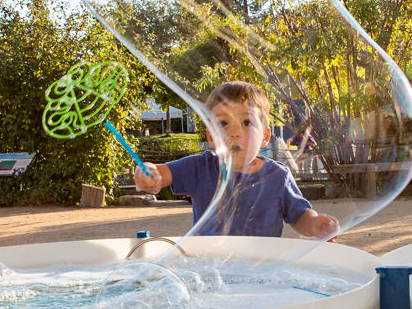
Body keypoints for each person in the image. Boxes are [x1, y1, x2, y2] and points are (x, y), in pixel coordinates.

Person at [134, 81, 339, 240]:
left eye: (246, 122)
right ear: (211, 136)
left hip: (262, 271)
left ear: (266, 136)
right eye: (223, 123)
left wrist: (314, 224)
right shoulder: (199, 168)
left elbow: (299, 214)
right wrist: (146, 174)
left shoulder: (278, 175)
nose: (234, 133)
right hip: (211, 269)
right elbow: (159, 172)